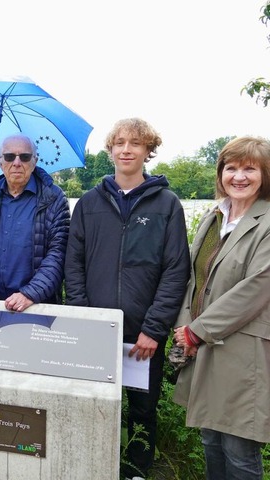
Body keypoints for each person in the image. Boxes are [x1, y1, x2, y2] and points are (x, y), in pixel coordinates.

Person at [64, 118, 190, 480]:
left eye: (136, 143)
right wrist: (81, 317)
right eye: (119, 143)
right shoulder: (88, 203)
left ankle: (134, 470)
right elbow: (73, 264)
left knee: (141, 409)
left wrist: (154, 328)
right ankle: (91, 466)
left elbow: (175, 270)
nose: (126, 149)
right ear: (110, 150)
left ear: (149, 150)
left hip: (143, 333)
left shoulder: (167, 204)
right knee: (93, 403)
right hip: (95, 329)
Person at [172, 136, 270, 480]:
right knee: (211, 440)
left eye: (249, 168)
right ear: (220, 173)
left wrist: (196, 330)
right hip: (203, 346)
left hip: (243, 350)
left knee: (240, 449)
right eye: (231, 168)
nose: (239, 176)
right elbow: (193, 278)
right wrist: (184, 328)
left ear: (265, 175)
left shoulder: (268, 221)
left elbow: (258, 286)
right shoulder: (214, 218)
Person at [0, 133, 70, 311]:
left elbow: (59, 254)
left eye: (24, 157)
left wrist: (30, 293)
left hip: (36, 303)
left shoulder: (54, 198)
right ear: (0, 161)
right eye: (9, 157)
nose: (17, 163)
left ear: (35, 160)